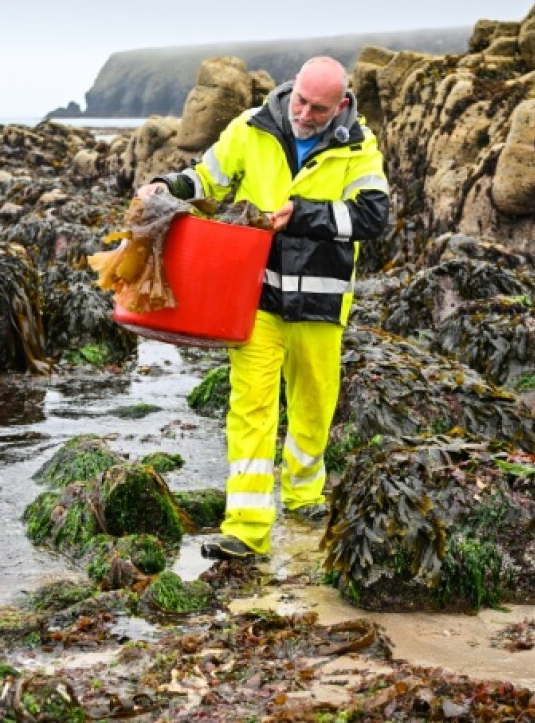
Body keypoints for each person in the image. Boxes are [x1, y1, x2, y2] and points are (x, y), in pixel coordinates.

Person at [137, 56, 390, 560]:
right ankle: (246, 529)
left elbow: (372, 214)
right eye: (300, 101)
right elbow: (204, 179)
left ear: (340, 105)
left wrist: (304, 216)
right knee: (250, 406)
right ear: (292, 89)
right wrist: (167, 186)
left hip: (321, 302)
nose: (304, 113)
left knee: (314, 404)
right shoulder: (250, 128)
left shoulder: (359, 146)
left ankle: (304, 495)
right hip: (256, 299)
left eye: (319, 109)